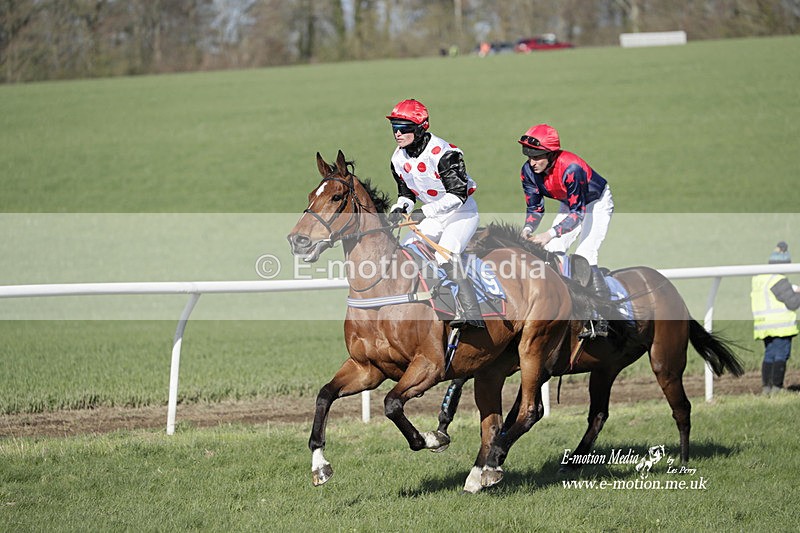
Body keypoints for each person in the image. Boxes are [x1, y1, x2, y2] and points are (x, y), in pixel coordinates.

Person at [385, 98, 484, 329]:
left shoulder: (445, 154)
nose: (397, 134)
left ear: (420, 128)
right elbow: (406, 195)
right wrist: (401, 208)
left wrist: (424, 212)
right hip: (433, 216)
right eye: (394, 128)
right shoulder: (397, 158)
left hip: (462, 214)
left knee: (444, 256)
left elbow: (458, 195)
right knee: (407, 253)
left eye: (404, 128)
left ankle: (472, 313)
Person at [517, 123, 614, 338]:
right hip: (570, 203)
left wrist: (547, 233)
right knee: (553, 250)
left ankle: (603, 317)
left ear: (551, 154)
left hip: (594, 203)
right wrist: (527, 229)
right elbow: (535, 207)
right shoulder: (528, 172)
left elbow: (578, 215)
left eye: (537, 157)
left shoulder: (571, 168)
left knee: (585, 255)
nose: (532, 163)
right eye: (529, 156)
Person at [751, 241, 800, 395]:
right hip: (781, 326)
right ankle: (777, 388)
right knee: (781, 355)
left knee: (769, 355)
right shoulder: (779, 280)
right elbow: (793, 303)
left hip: (764, 326)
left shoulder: (760, 279)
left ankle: (767, 388)